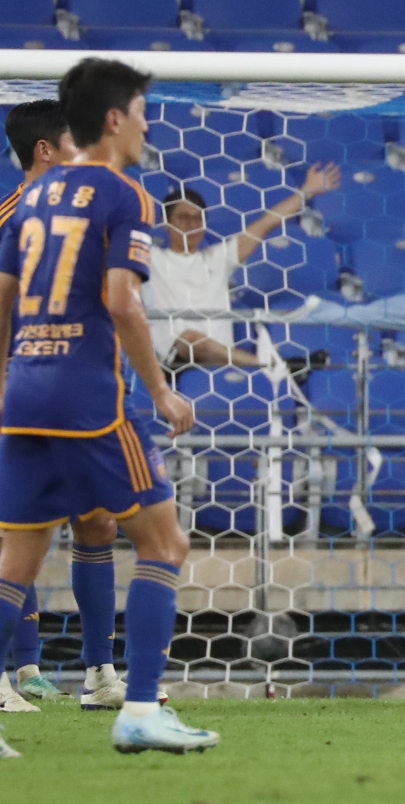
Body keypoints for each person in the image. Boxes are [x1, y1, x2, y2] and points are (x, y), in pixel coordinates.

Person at [0, 57, 217, 756]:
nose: (150, 126)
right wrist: (158, 389)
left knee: (17, 558)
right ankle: (141, 708)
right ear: (116, 118)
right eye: (145, 112)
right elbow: (123, 300)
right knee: (164, 542)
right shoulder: (126, 196)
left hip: (24, 389)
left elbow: (1, 299)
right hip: (88, 396)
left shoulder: (31, 196)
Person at [0, 100, 125, 716]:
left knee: (97, 523)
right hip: (19, 396)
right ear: (45, 151)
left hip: (77, 396)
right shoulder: (10, 218)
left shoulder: (76, 220)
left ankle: (99, 672)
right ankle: (3, 675)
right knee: (14, 535)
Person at [145, 164, 339, 371]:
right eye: (183, 218)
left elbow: (265, 224)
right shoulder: (151, 258)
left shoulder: (217, 258)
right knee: (192, 338)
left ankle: (274, 366)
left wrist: (306, 191)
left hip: (220, 362)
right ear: (166, 223)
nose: (191, 225)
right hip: (174, 360)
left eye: (197, 219)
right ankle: (274, 366)